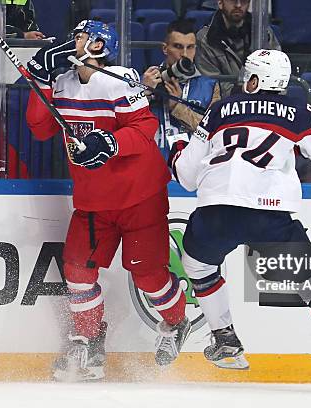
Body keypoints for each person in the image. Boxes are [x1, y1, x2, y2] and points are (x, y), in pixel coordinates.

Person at [168, 49, 311, 392]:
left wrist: (177, 148)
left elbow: (188, 177)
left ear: (253, 79)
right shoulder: (298, 110)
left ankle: (225, 338)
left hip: (218, 209)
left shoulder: (219, 110)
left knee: (198, 265)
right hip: (271, 213)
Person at [25, 20, 190, 381]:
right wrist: (39, 79)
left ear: (98, 46)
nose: (73, 41)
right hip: (92, 199)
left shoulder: (118, 79)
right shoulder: (63, 83)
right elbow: (39, 128)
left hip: (139, 196)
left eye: (81, 37)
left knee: (148, 276)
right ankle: (89, 336)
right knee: (78, 270)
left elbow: (145, 129)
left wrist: (110, 143)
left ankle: (176, 322)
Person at [142, 19, 220, 150]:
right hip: (152, 163)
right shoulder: (145, 81)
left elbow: (213, 132)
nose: (184, 54)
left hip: (192, 165)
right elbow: (127, 123)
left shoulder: (210, 86)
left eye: (190, 47)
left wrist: (178, 107)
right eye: (178, 46)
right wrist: (144, 95)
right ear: (165, 48)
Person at [195, 0, 281, 97]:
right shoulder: (205, 40)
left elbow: (278, 72)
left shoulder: (264, 33)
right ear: (220, 2)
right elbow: (209, 85)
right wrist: (244, 90)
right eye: (233, 0)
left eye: (244, 1)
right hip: (225, 105)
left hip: (264, 101)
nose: (238, 5)